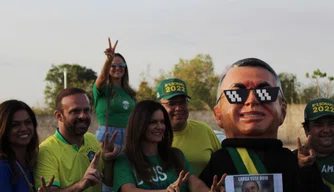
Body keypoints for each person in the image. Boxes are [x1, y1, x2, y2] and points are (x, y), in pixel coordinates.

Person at [199, 58, 324, 192]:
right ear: (218, 114)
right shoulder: (217, 163)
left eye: (265, 93)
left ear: (283, 111)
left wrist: (306, 171)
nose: (252, 100)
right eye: (237, 94)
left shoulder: (293, 161)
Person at [113, 100, 225, 192]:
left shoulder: (176, 155)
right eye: (153, 122)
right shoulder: (125, 159)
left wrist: (210, 191)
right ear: (139, 125)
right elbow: (129, 190)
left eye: (162, 122)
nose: (160, 127)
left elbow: (195, 184)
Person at [34, 88, 119, 192]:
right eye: (75, 111)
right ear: (59, 116)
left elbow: (108, 181)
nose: (82, 116)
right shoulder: (46, 150)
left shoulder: (91, 139)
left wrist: (108, 160)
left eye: (86, 110)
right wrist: (81, 185)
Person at [156, 78, 221, 176]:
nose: (178, 108)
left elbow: (221, 165)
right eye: (172, 103)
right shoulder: (153, 135)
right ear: (159, 106)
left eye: (182, 102)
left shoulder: (204, 130)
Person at [0, 100, 54, 192]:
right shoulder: (3, 167)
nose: (24, 129)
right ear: (3, 128)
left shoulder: (33, 162)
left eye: (28, 122)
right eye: (15, 125)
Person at [93, 38, 136, 150]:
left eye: (121, 65)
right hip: (108, 136)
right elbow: (102, 78)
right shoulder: (102, 89)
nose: (118, 68)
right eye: (113, 65)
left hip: (129, 136)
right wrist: (108, 59)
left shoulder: (129, 92)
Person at [297, 98, 334, 191]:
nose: (326, 130)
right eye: (318, 124)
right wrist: (302, 168)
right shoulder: (292, 161)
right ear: (306, 129)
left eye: (332, 124)